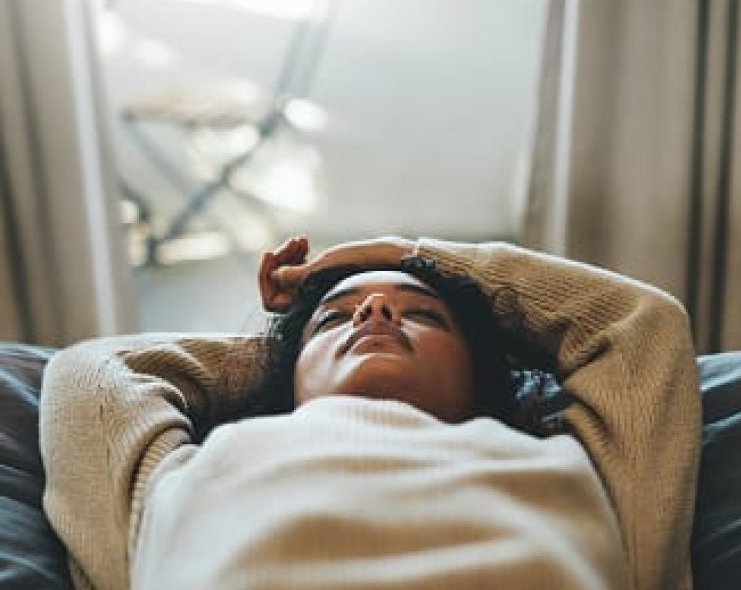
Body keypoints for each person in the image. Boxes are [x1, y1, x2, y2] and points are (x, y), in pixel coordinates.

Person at [39, 236, 701, 590]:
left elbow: (644, 325)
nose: (376, 310)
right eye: (339, 320)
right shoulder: (196, 471)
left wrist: (399, 251)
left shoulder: (567, 464)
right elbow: (94, 373)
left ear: (479, 374)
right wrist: (279, 349)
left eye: (422, 313)